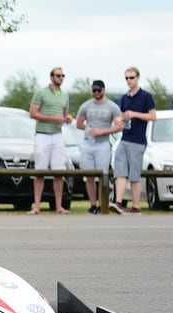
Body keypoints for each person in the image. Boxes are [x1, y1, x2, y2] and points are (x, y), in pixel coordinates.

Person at [110, 66, 157, 215]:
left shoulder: (146, 96)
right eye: (127, 78)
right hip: (124, 138)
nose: (129, 81)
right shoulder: (124, 98)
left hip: (137, 141)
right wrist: (119, 119)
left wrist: (135, 114)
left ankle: (136, 206)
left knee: (134, 175)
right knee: (120, 171)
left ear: (137, 78)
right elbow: (123, 116)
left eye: (131, 78)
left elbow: (153, 116)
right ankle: (118, 202)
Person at [75, 80, 123, 214]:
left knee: (103, 176)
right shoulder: (86, 106)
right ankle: (92, 205)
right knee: (89, 176)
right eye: (94, 90)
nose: (96, 93)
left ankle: (103, 204)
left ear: (104, 90)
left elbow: (119, 126)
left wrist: (102, 131)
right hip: (88, 143)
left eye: (99, 90)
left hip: (102, 144)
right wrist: (89, 129)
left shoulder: (112, 107)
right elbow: (79, 124)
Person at [28, 67, 71, 215]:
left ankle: (59, 207)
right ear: (51, 77)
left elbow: (65, 115)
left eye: (62, 76)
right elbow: (32, 113)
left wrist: (68, 119)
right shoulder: (41, 93)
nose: (61, 78)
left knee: (58, 171)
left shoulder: (64, 95)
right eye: (58, 75)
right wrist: (54, 118)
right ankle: (37, 207)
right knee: (40, 171)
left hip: (58, 135)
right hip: (42, 135)